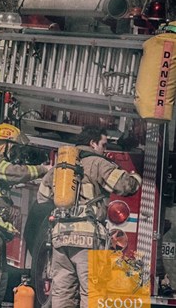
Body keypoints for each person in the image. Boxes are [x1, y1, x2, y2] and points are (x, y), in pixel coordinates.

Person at [37, 125, 142, 308]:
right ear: (92, 143)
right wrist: (136, 178)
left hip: (60, 238)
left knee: (62, 292)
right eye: (103, 144)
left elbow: (42, 198)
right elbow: (125, 186)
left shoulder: (62, 166)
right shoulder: (98, 163)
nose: (105, 149)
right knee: (92, 293)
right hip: (88, 241)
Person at [0, 123, 50, 307]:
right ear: (4, 144)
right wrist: (44, 169)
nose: (15, 152)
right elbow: (16, 172)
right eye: (14, 147)